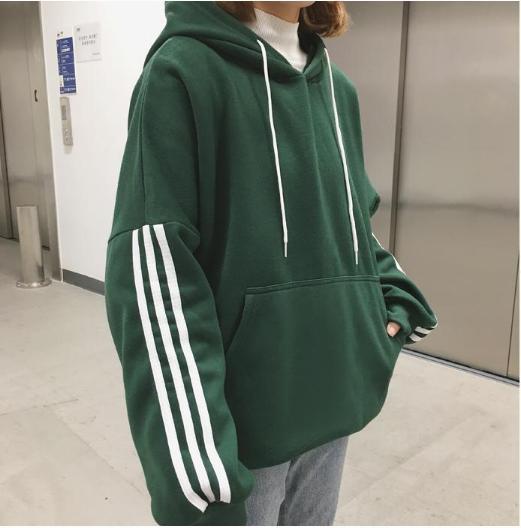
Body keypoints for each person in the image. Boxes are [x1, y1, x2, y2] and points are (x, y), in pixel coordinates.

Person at [104, 1, 439, 526]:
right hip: (244, 432)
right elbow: (155, 269)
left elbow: (351, 224)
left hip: (333, 406)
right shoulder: (183, 72)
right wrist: (197, 461)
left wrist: (394, 299)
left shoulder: (338, 90)